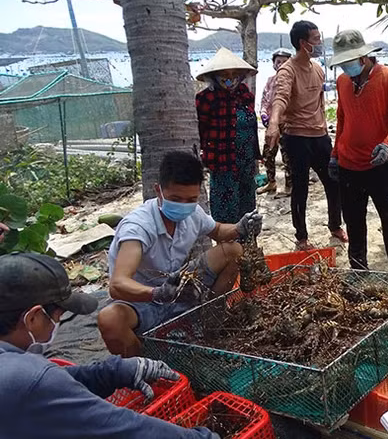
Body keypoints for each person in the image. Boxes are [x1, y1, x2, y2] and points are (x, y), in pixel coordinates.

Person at [0, 253, 219, 438]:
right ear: (33, 318)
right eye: (58, 316)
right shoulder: (28, 379)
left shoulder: (18, 374)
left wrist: (111, 372)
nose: (58, 323)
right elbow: (121, 428)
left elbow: (44, 385)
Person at [98, 151, 262, 357]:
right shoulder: (138, 227)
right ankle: (143, 365)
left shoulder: (193, 212)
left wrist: (240, 227)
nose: (184, 205)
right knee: (110, 319)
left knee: (234, 251)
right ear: (158, 190)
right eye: (176, 198)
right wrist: (157, 293)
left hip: (181, 289)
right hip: (142, 302)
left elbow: (219, 231)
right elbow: (118, 285)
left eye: (191, 199)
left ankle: (210, 327)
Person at [328, 30, 388, 274]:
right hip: (348, 164)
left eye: (348, 63)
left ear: (363, 58)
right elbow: (342, 119)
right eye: (342, 63)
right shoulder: (343, 82)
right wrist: (335, 153)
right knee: (354, 220)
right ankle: (358, 268)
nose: (345, 68)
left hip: (379, 164)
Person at [265, 20, 347, 251]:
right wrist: (273, 123)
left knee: (333, 182)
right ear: (303, 43)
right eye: (316, 39)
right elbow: (280, 98)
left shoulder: (318, 69)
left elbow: (320, 104)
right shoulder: (287, 70)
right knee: (300, 188)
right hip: (297, 137)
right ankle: (301, 238)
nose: (320, 43)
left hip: (320, 136)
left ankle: (335, 226)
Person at [195, 47, 260, 223]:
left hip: (246, 160)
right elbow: (200, 130)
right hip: (222, 161)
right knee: (225, 206)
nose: (230, 78)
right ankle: (227, 244)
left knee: (247, 204)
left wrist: (255, 156)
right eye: (224, 73)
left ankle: (248, 244)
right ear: (214, 76)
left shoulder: (244, 93)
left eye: (234, 73)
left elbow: (252, 125)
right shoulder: (206, 98)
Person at [259, 48, 293, 197]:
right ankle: (271, 182)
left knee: (288, 156)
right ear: (273, 64)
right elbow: (265, 100)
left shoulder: (292, 80)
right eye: (278, 62)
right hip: (271, 123)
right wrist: (264, 115)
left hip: (287, 123)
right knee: (268, 154)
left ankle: (290, 185)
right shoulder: (270, 81)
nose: (280, 65)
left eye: (284, 62)